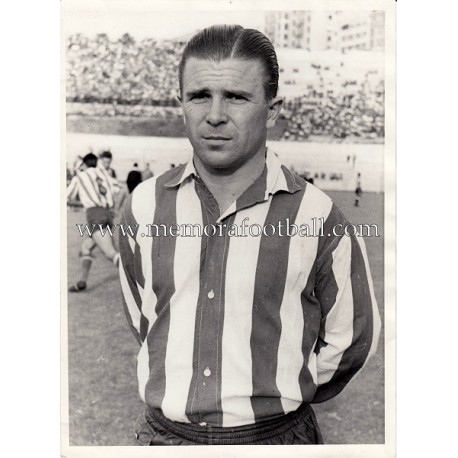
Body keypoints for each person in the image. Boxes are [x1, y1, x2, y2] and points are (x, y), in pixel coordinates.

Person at [119, 25, 381, 446]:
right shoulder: (142, 206)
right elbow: (145, 318)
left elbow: (352, 340)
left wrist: (284, 383)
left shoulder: (318, 216)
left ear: (273, 110)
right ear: (180, 103)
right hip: (163, 438)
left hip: (275, 437)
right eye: (199, 95)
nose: (215, 114)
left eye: (237, 97)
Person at [67, 153, 120, 292]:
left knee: (111, 254)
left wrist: (84, 203)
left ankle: (145, 279)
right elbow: (118, 188)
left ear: (84, 164)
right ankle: (82, 281)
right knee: (86, 248)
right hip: (107, 214)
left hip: (94, 214)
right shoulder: (103, 174)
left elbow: (67, 197)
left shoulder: (80, 176)